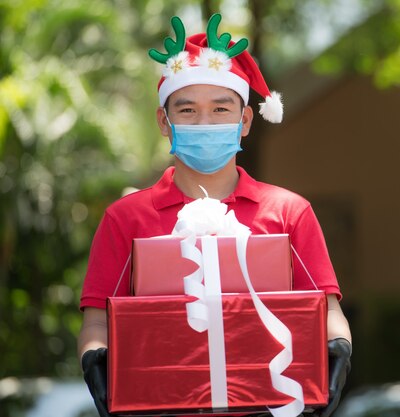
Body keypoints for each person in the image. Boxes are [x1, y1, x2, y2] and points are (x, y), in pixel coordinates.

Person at [77, 13, 352, 417]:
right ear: (164, 122)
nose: (204, 122)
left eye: (221, 109)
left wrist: (337, 351)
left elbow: (328, 313)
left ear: (244, 121)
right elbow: (97, 321)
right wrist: (96, 360)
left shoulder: (290, 212)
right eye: (187, 111)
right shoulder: (125, 219)